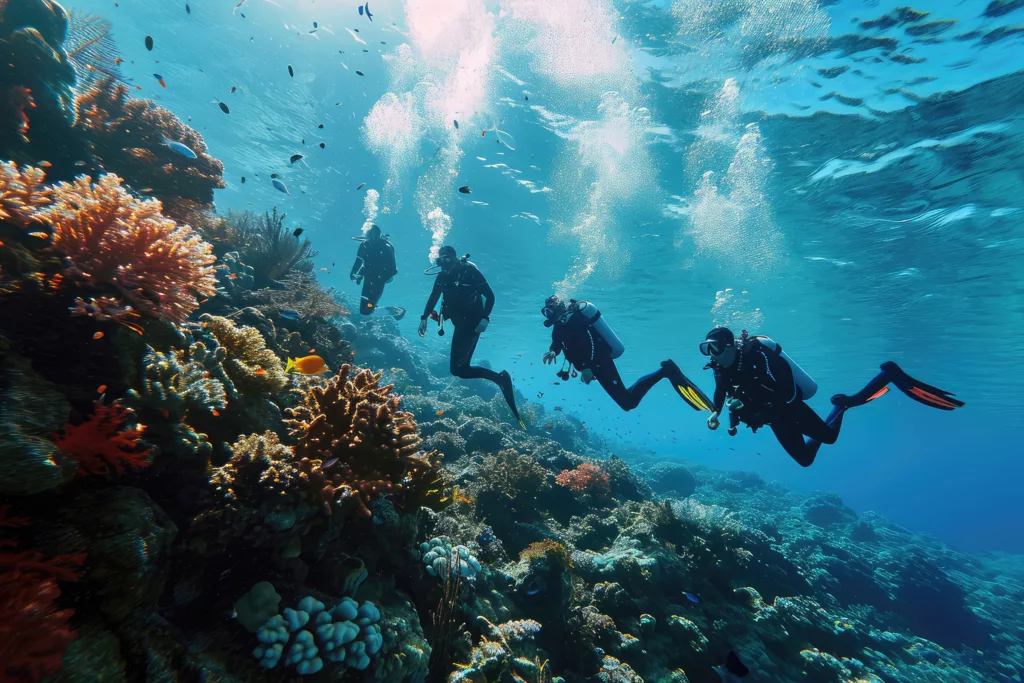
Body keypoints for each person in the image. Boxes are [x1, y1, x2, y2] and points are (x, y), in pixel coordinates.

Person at [701, 326, 964, 467]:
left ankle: (849, 400)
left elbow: (789, 390)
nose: (710, 354)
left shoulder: (758, 355)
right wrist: (716, 411)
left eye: (713, 347)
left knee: (828, 437)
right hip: (771, 417)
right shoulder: (720, 366)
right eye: (706, 349)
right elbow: (721, 389)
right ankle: (843, 404)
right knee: (805, 460)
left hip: (789, 408)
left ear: (727, 345)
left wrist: (766, 412)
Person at [541, 295, 714, 413]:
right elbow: (558, 341)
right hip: (593, 366)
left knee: (627, 402)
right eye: (545, 312)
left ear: (558, 308)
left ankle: (666, 371)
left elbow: (592, 344)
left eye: (549, 310)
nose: (547, 314)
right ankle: (665, 371)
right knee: (626, 402)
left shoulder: (577, 319)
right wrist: (553, 351)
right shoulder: (559, 326)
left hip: (601, 362)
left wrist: (588, 368)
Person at [418, 246, 523, 427]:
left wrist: (485, 318)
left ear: (455, 258)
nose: (445, 264)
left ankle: (500, 379)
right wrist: (424, 318)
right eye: (442, 260)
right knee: (459, 369)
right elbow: (433, 297)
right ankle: (500, 378)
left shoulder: (470, 272)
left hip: (473, 324)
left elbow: (490, 296)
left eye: (448, 259)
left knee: (458, 369)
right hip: (459, 323)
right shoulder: (442, 276)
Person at [350, 224, 397, 315]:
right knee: (363, 309)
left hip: (380, 277)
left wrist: (385, 278)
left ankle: (373, 306)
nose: (372, 239)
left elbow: (392, 267)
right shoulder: (364, 245)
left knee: (369, 306)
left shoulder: (386, 247)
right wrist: (355, 274)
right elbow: (359, 260)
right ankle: (373, 306)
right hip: (368, 275)